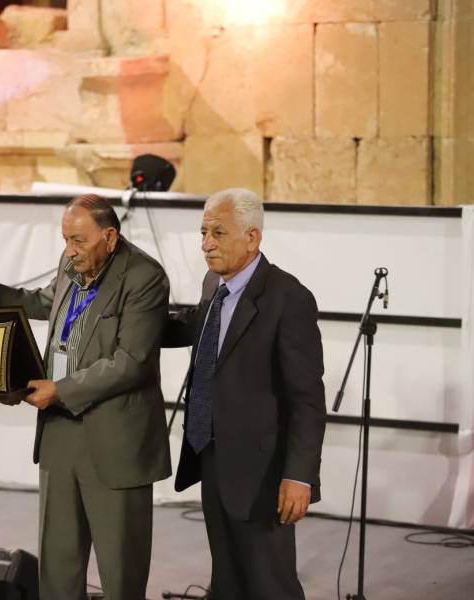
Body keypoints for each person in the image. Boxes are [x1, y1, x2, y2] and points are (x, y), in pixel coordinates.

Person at [0, 194, 171, 600]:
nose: (70, 250)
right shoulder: (72, 263)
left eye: (78, 240)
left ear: (110, 236)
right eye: (65, 240)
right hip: (59, 430)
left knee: (120, 571)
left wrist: (61, 390)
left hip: (116, 440)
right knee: (57, 564)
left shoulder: (145, 276)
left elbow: (132, 362)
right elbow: (44, 301)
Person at [166, 188, 326, 600]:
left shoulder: (289, 298)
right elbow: (197, 330)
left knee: (269, 584)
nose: (206, 244)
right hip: (212, 457)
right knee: (227, 582)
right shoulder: (212, 284)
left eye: (218, 233)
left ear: (252, 237)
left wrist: (299, 476)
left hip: (263, 473)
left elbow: (307, 400)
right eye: (203, 232)